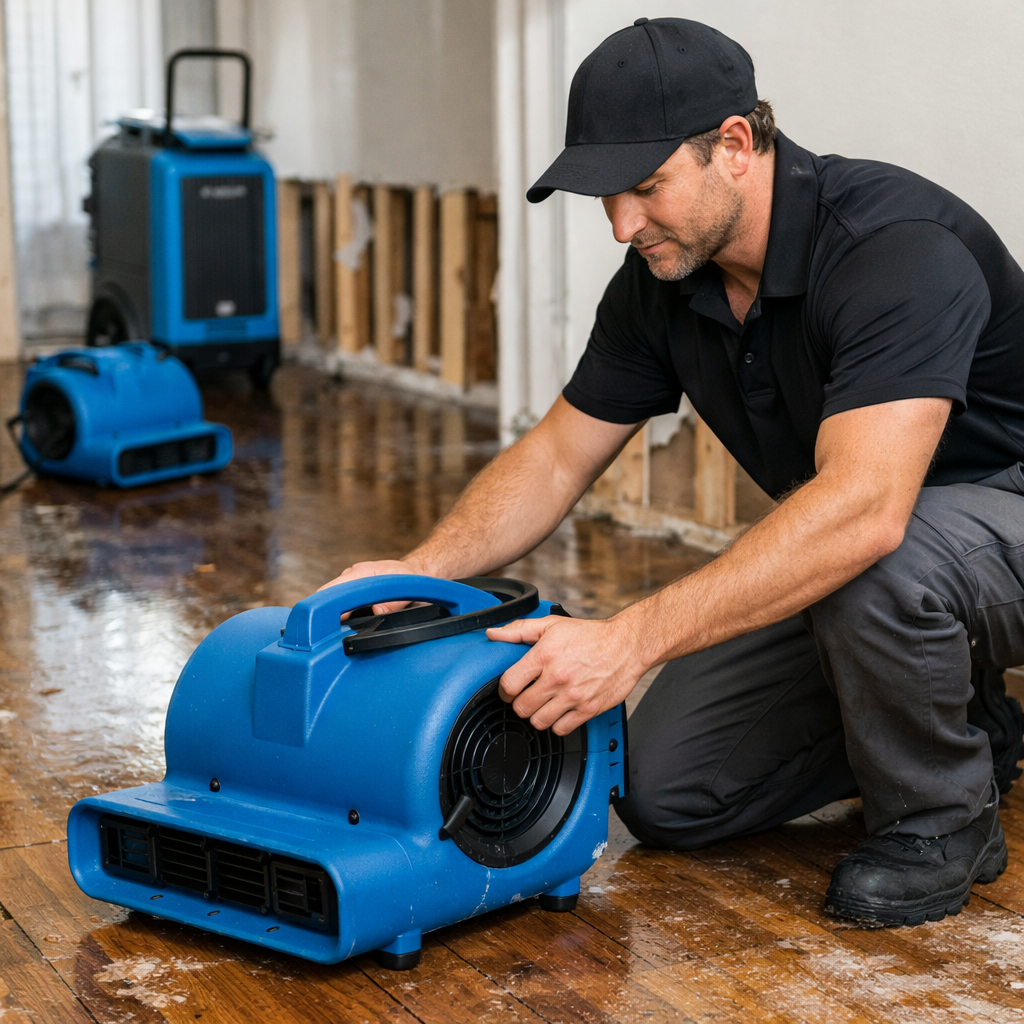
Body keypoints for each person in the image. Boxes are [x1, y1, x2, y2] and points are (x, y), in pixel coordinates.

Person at [323, 17, 1024, 927]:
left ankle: (941, 820)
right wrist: (419, 572)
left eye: (646, 188)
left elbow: (864, 512)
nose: (623, 223)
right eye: (606, 197)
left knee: (872, 553)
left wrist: (629, 640)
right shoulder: (662, 281)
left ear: (735, 145)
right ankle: (969, 724)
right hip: (904, 551)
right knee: (669, 792)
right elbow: (555, 455)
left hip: (985, 519)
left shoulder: (894, 247)